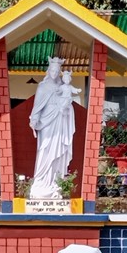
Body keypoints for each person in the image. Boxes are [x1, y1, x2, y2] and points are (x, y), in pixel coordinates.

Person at [28, 57, 76, 200]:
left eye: (57, 71)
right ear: (49, 71)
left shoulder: (63, 87)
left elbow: (68, 103)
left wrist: (66, 108)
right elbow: (37, 106)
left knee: (58, 151)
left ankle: (55, 183)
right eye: (52, 70)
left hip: (59, 121)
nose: (54, 73)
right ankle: (41, 181)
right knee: (45, 150)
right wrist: (34, 119)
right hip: (46, 123)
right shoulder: (43, 87)